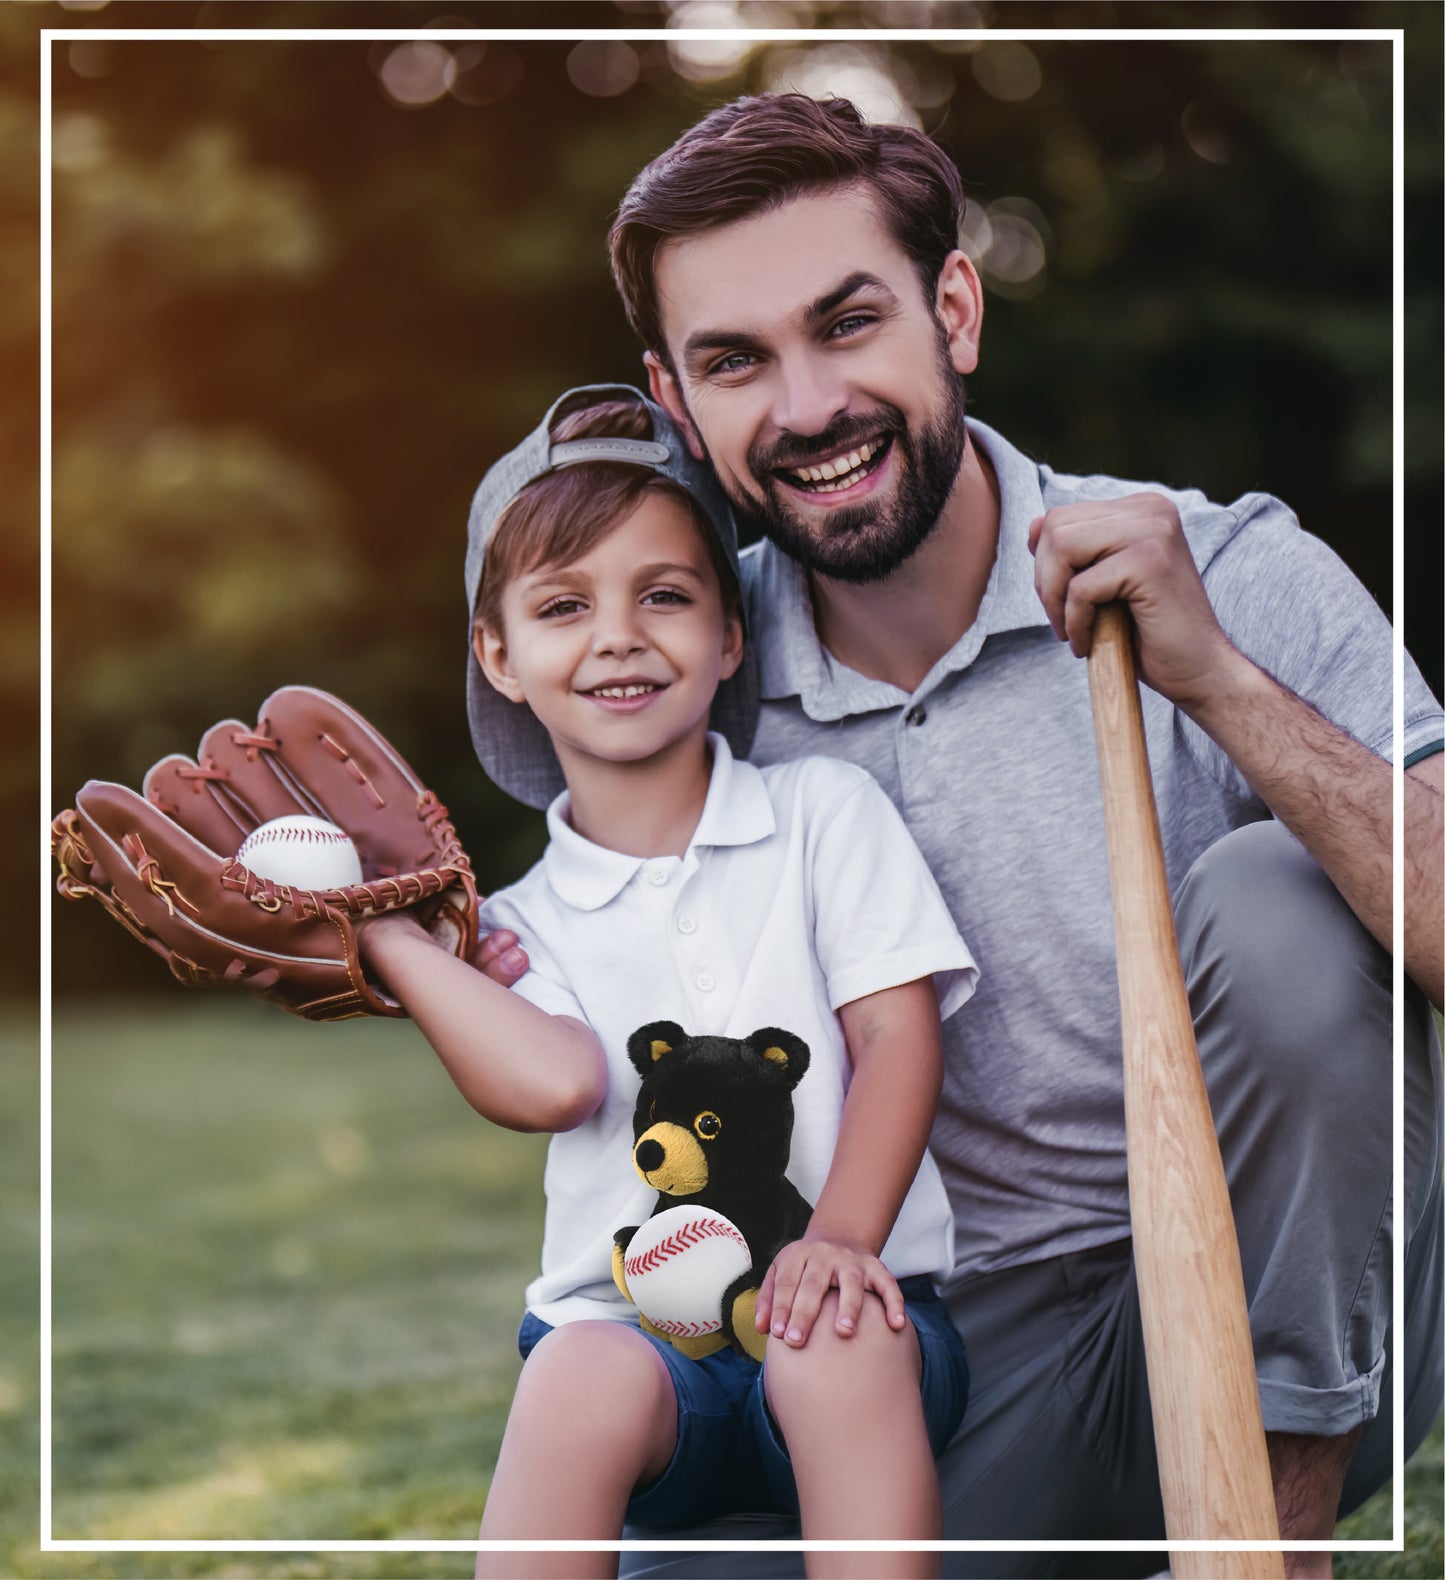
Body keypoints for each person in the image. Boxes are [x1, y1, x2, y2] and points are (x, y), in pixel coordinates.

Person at [476, 94, 1443, 1579]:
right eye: (737, 362)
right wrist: (378, 944)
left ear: (954, 307)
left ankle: (1264, 1555)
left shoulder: (1224, 565)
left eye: (846, 323)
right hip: (927, 1347)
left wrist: (1220, 682)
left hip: (1287, 1300)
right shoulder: (684, 664)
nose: (804, 408)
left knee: (1276, 899)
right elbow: (551, 923)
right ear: (676, 402)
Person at [362, 384, 977, 1580]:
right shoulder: (514, 926)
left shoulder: (820, 815)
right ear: (498, 653)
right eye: (559, 605)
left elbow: (898, 1040)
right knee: (575, 1369)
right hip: (642, 1355)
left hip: (858, 1311)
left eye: (664, 594)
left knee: (831, 1334)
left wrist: (837, 1239)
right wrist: (393, 940)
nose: (617, 635)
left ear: (730, 631)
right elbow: (552, 1083)